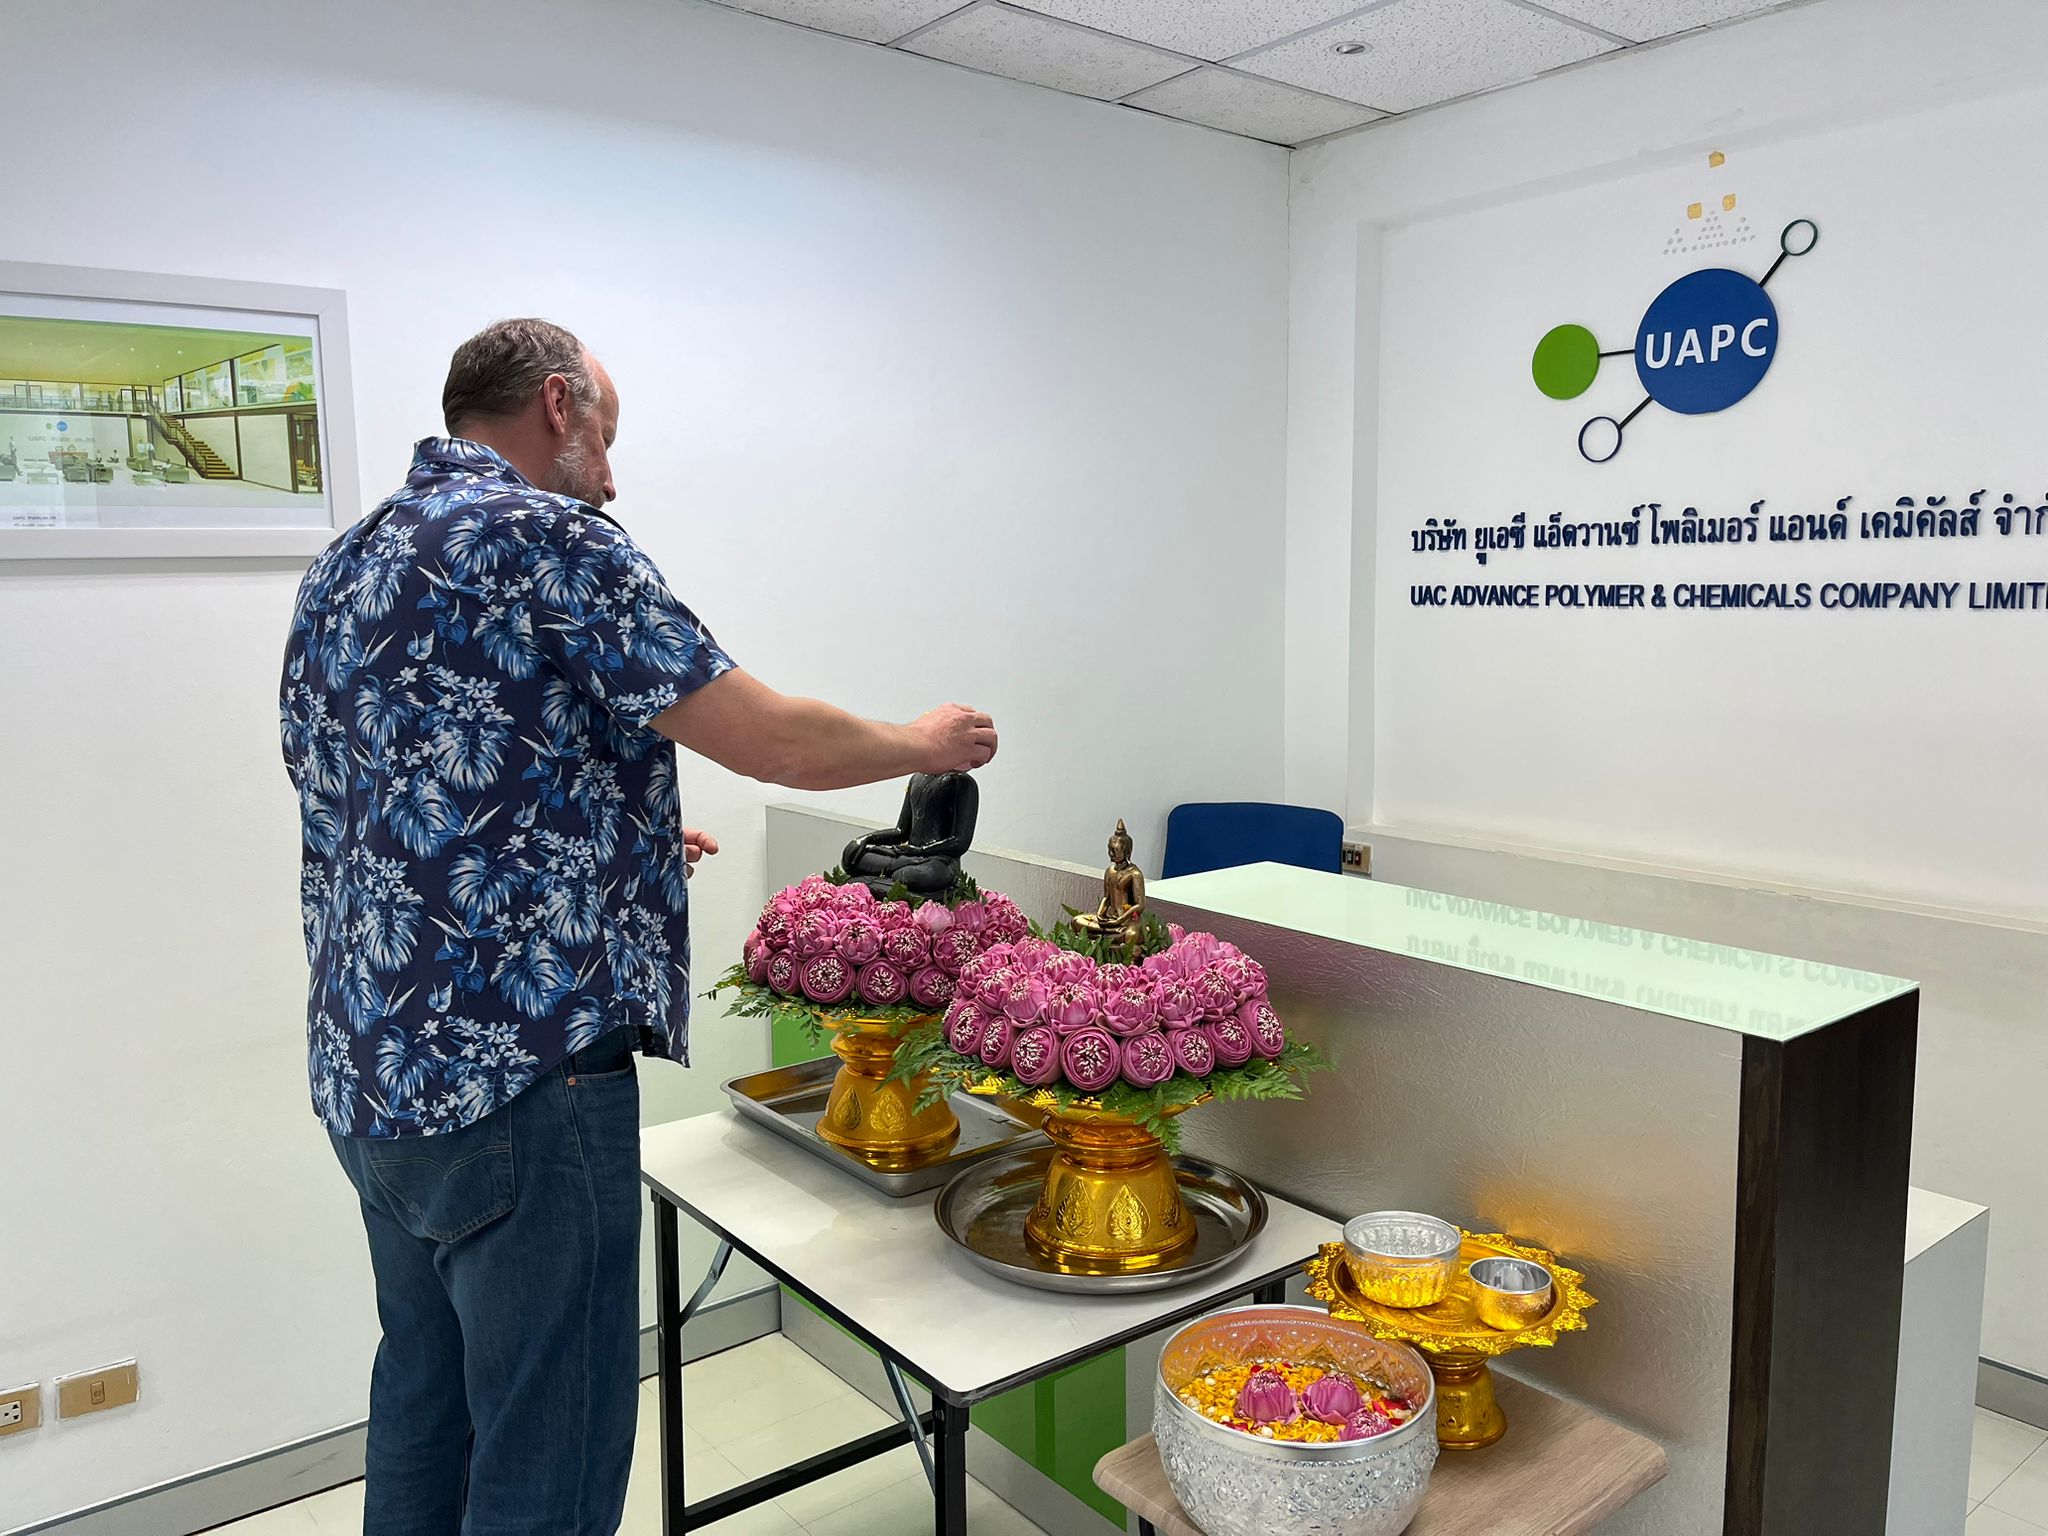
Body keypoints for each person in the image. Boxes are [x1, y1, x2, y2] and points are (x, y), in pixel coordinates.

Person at [279, 318, 996, 1536]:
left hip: (372, 1077)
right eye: (605, 438)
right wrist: (920, 743)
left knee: (425, 1403)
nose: (610, 479)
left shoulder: (346, 563)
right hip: (519, 1082)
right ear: (557, 405)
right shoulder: (544, 536)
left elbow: (383, 792)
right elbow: (766, 736)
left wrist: (605, 839)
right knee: (547, 1444)